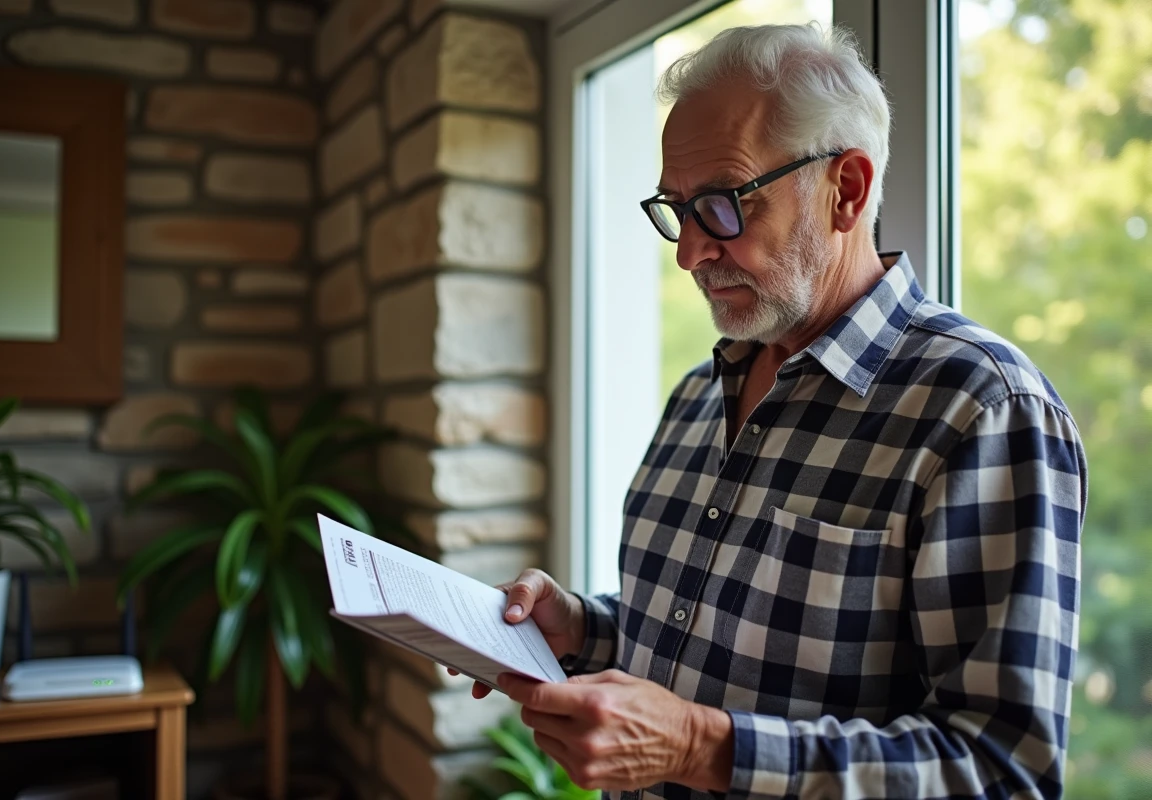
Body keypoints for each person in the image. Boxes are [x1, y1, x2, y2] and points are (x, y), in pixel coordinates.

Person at [463, 23, 1086, 800]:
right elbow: (712, 638)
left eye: (722, 206)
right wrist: (583, 630)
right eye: (676, 209)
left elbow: (1002, 772)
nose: (689, 253)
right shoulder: (697, 395)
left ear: (846, 190)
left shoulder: (981, 409)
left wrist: (702, 747)